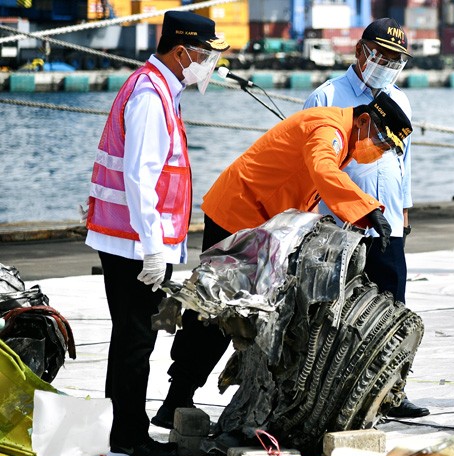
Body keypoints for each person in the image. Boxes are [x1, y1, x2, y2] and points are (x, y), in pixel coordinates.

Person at [151, 93, 413, 428]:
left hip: (263, 223)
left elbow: (307, 189)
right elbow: (322, 169)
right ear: (364, 121)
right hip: (239, 212)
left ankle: (197, 398)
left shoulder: (345, 138)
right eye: (380, 140)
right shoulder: (329, 128)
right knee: (218, 308)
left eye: (386, 147)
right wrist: (368, 209)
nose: (378, 149)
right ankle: (176, 400)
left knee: (249, 311)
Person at [84, 10, 228, 456]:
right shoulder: (150, 94)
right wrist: (152, 248)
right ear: (182, 52)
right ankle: (130, 438)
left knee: (131, 338)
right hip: (133, 244)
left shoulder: (161, 88)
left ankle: (123, 430)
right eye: (205, 56)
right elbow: (139, 177)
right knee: (136, 341)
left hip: (132, 239)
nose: (209, 65)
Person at [302, 17, 428, 419]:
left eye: (397, 60)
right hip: (340, 229)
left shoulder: (400, 100)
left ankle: (391, 393)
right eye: (384, 56)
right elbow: (312, 167)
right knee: (338, 317)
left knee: (393, 310)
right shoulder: (328, 97)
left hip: (388, 225)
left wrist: (403, 214)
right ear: (361, 52)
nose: (389, 65)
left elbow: (404, 164)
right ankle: (337, 398)